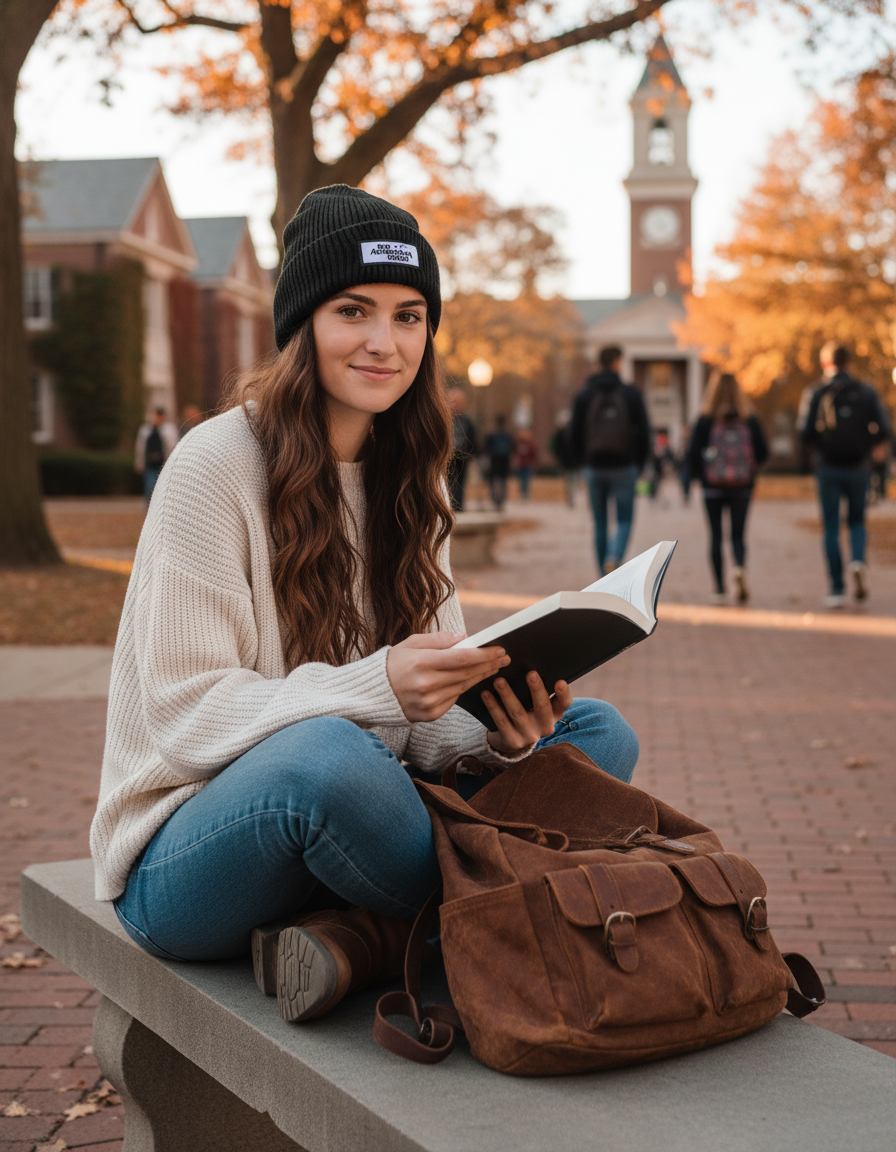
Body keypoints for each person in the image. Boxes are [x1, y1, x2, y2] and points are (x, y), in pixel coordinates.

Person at [91, 185, 640, 1029]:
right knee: (329, 760)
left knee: (596, 736)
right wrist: (377, 684)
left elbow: (422, 734)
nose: (386, 343)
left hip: (361, 817)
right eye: (354, 311)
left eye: (410, 315)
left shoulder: (412, 477)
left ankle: (369, 936)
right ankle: (509, 922)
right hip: (189, 852)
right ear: (303, 324)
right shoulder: (214, 466)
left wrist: (499, 728)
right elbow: (184, 715)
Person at [798, 344, 891, 607]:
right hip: (859, 467)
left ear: (825, 363)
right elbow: (883, 428)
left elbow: (804, 433)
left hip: (828, 467)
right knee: (857, 521)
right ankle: (858, 561)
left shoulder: (816, 392)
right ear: (849, 362)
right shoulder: (866, 392)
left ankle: (837, 587)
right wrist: (867, 444)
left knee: (830, 526)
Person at [686, 371, 768, 604]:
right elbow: (762, 452)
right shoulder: (749, 419)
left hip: (712, 485)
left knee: (715, 535)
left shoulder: (705, 419)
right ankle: (739, 568)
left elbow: (692, 454)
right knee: (738, 535)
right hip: (742, 485)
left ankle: (719, 588)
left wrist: (697, 476)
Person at [570, 346, 651, 575]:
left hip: (594, 467)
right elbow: (645, 432)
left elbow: (574, 433)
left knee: (600, 523)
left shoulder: (585, 395)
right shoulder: (631, 394)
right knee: (625, 519)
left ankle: (603, 577)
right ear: (617, 362)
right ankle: (614, 555)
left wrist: (581, 464)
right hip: (624, 467)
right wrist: (640, 463)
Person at [134, 407, 178, 505]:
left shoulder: (169, 429)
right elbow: (140, 448)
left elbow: (172, 445)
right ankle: (150, 505)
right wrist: (139, 462)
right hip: (150, 463)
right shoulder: (145, 430)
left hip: (164, 463)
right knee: (150, 485)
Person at [446, 388, 476, 511]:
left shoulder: (467, 420)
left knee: (460, 482)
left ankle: (457, 506)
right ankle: (448, 505)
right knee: (448, 482)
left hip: (463, 457)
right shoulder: (444, 418)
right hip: (446, 456)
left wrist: (472, 454)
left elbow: (472, 438)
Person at [483, 415, 514, 510]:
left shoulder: (492, 435)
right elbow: (512, 448)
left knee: (492, 481)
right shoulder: (508, 435)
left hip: (494, 461)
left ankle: (494, 499)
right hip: (504, 461)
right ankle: (502, 500)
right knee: (503, 481)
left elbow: (486, 448)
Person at [550, 410, 579, 507]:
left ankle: (570, 497)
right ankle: (571, 497)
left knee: (569, 480)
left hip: (567, 462)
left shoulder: (560, 433)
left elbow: (556, 448)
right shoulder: (573, 432)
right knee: (572, 480)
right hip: (573, 461)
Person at [512, 427, 539, 501]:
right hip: (520, 464)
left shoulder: (531, 443)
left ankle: (526, 494)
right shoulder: (518, 442)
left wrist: (534, 462)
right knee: (521, 481)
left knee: (526, 480)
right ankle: (522, 494)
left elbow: (534, 453)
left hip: (528, 464)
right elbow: (515, 452)